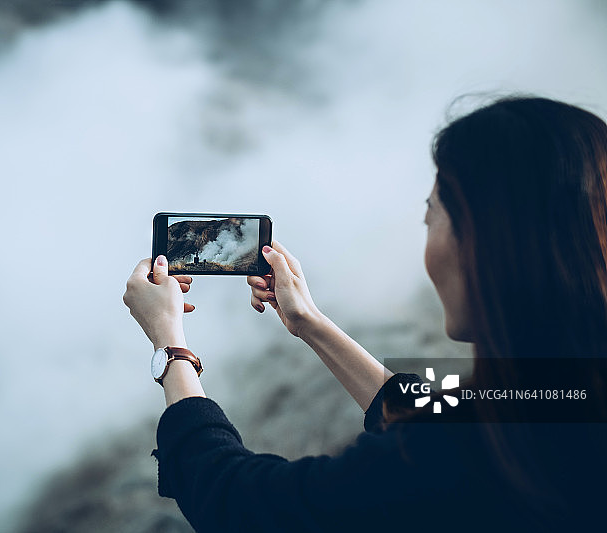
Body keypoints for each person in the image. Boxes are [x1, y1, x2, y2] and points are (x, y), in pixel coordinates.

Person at [122, 96, 607, 532]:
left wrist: (170, 346)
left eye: (431, 217)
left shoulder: (454, 457)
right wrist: (309, 322)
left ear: (484, 243)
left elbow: (240, 503)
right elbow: (432, 412)